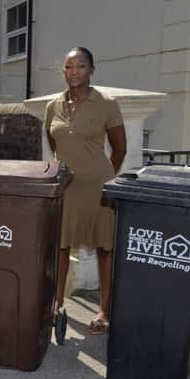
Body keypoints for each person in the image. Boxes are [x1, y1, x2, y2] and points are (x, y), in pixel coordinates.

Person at [44, 47, 127, 335]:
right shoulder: (53, 105)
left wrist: (104, 180)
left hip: (98, 189)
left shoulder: (106, 103)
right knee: (61, 246)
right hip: (66, 187)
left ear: (92, 69)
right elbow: (54, 144)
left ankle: (104, 311)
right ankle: (56, 304)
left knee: (104, 247)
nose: (74, 72)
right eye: (68, 67)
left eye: (80, 66)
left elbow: (119, 148)